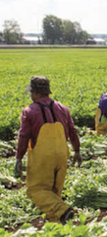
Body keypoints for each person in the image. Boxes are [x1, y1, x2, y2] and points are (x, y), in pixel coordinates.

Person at [14, 76, 82, 224]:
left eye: (31, 92)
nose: (31, 96)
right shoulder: (63, 108)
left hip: (43, 157)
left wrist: (18, 157)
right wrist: (77, 150)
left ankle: (63, 211)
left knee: (36, 190)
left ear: (36, 93)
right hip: (62, 154)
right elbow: (72, 131)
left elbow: (24, 136)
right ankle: (56, 225)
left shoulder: (29, 111)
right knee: (54, 192)